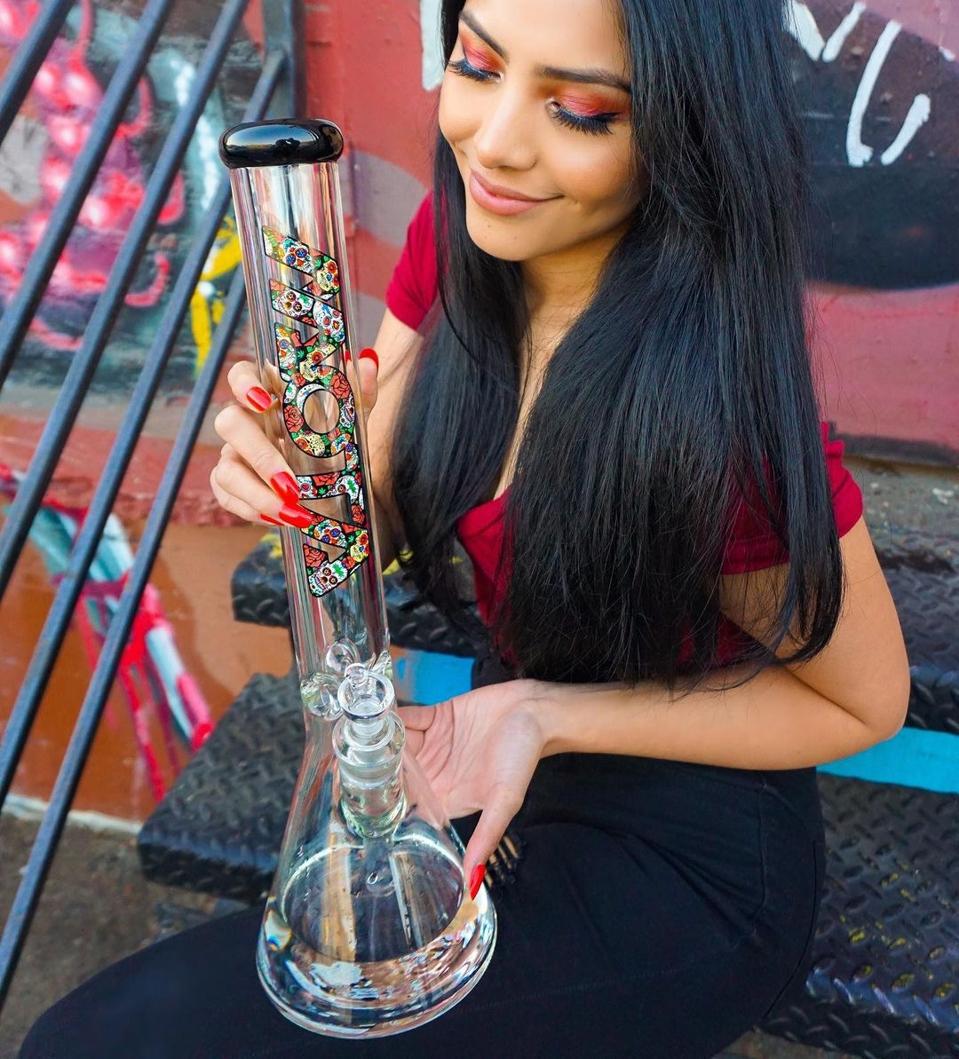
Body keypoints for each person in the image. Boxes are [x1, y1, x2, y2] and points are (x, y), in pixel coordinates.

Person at [20, 0, 910, 1055]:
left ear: (683, 135)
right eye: (478, 65)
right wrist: (296, 472)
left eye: (578, 110)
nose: (492, 140)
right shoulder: (468, 237)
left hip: (686, 853)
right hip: (486, 760)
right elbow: (381, 497)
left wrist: (542, 714)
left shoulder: (718, 422)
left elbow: (859, 702)